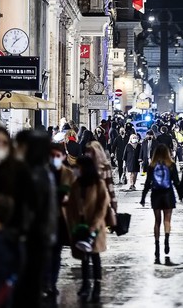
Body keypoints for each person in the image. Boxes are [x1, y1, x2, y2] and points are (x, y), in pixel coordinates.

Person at [13, 130, 57, 308]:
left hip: (30, 239)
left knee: (25, 289)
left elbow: (30, 209)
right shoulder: (45, 172)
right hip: (40, 239)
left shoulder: (33, 174)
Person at [66, 156, 110, 304]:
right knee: (83, 257)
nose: (75, 170)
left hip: (95, 227)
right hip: (80, 226)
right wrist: (73, 225)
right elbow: (71, 207)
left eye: (78, 167)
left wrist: (94, 225)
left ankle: (97, 285)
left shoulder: (99, 184)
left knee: (95, 256)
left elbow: (102, 206)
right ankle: (85, 284)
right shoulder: (76, 184)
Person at [44, 143, 76, 298]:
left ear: (63, 157)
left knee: (56, 253)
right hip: (45, 219)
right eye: (52, 156)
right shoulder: (43, 173)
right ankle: (45, 282)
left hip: (60, 219)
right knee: (45, 253)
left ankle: (52, 283)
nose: (54, 159)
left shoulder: (68, 174)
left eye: (58, 156)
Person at [140, 144, 181, 264]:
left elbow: (148, 183)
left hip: (156, 195)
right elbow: (176, 182)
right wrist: (180, 193)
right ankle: (167, 241)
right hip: (168, 194)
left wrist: (143, 197)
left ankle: (157, 246)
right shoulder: (171, 165)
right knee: (167, 220)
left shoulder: (152, 166)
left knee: (157, 221)